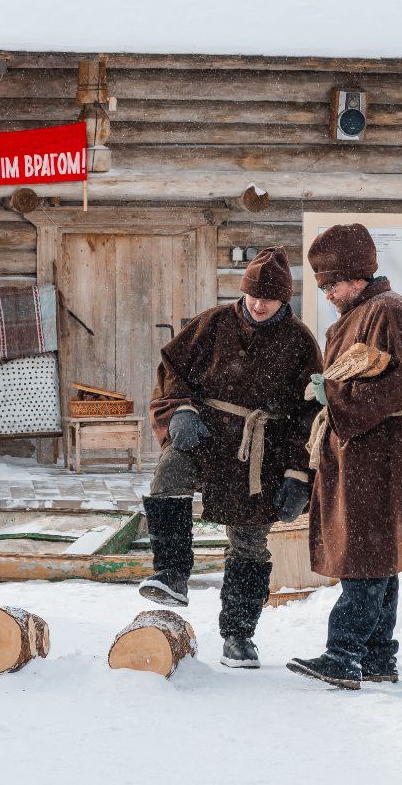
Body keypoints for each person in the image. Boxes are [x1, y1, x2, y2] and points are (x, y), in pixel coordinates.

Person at [287, 223, 402, 690]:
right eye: (322, 286)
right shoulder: (369, 312)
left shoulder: (388, 313)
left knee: (364, 553)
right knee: (378, 554)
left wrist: (336, 396)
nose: (327, 294)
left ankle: (344, 655)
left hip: (381, 454)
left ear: (357, 276)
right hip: (367, 451)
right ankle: (380, 657)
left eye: (332, 284)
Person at [142, 246, 323, 669]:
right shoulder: (213, 323)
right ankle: (171, 573)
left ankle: (239, 635)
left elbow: (309, 413)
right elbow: (172, 368)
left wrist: (299, 473)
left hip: (265, 450)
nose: (259, 306)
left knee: (250, 542)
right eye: (253, 296)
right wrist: (179, 411)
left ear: (285, 300)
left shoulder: (299, 341)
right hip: (206, 433)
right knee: (168, 475)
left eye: (269, 299)